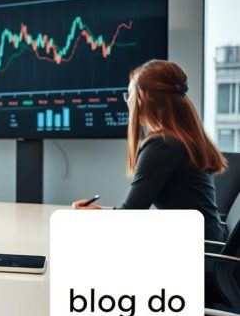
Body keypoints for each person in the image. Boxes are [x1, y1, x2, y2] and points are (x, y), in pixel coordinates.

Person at [73, 59, 228, 242]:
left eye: (129, 94)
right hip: (209, 242)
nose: (127, 101)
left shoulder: (162, 144)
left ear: (141, 97)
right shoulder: (179, 138)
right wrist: (101, 212)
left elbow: (130, 218)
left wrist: (94, 216)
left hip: (198, 252)